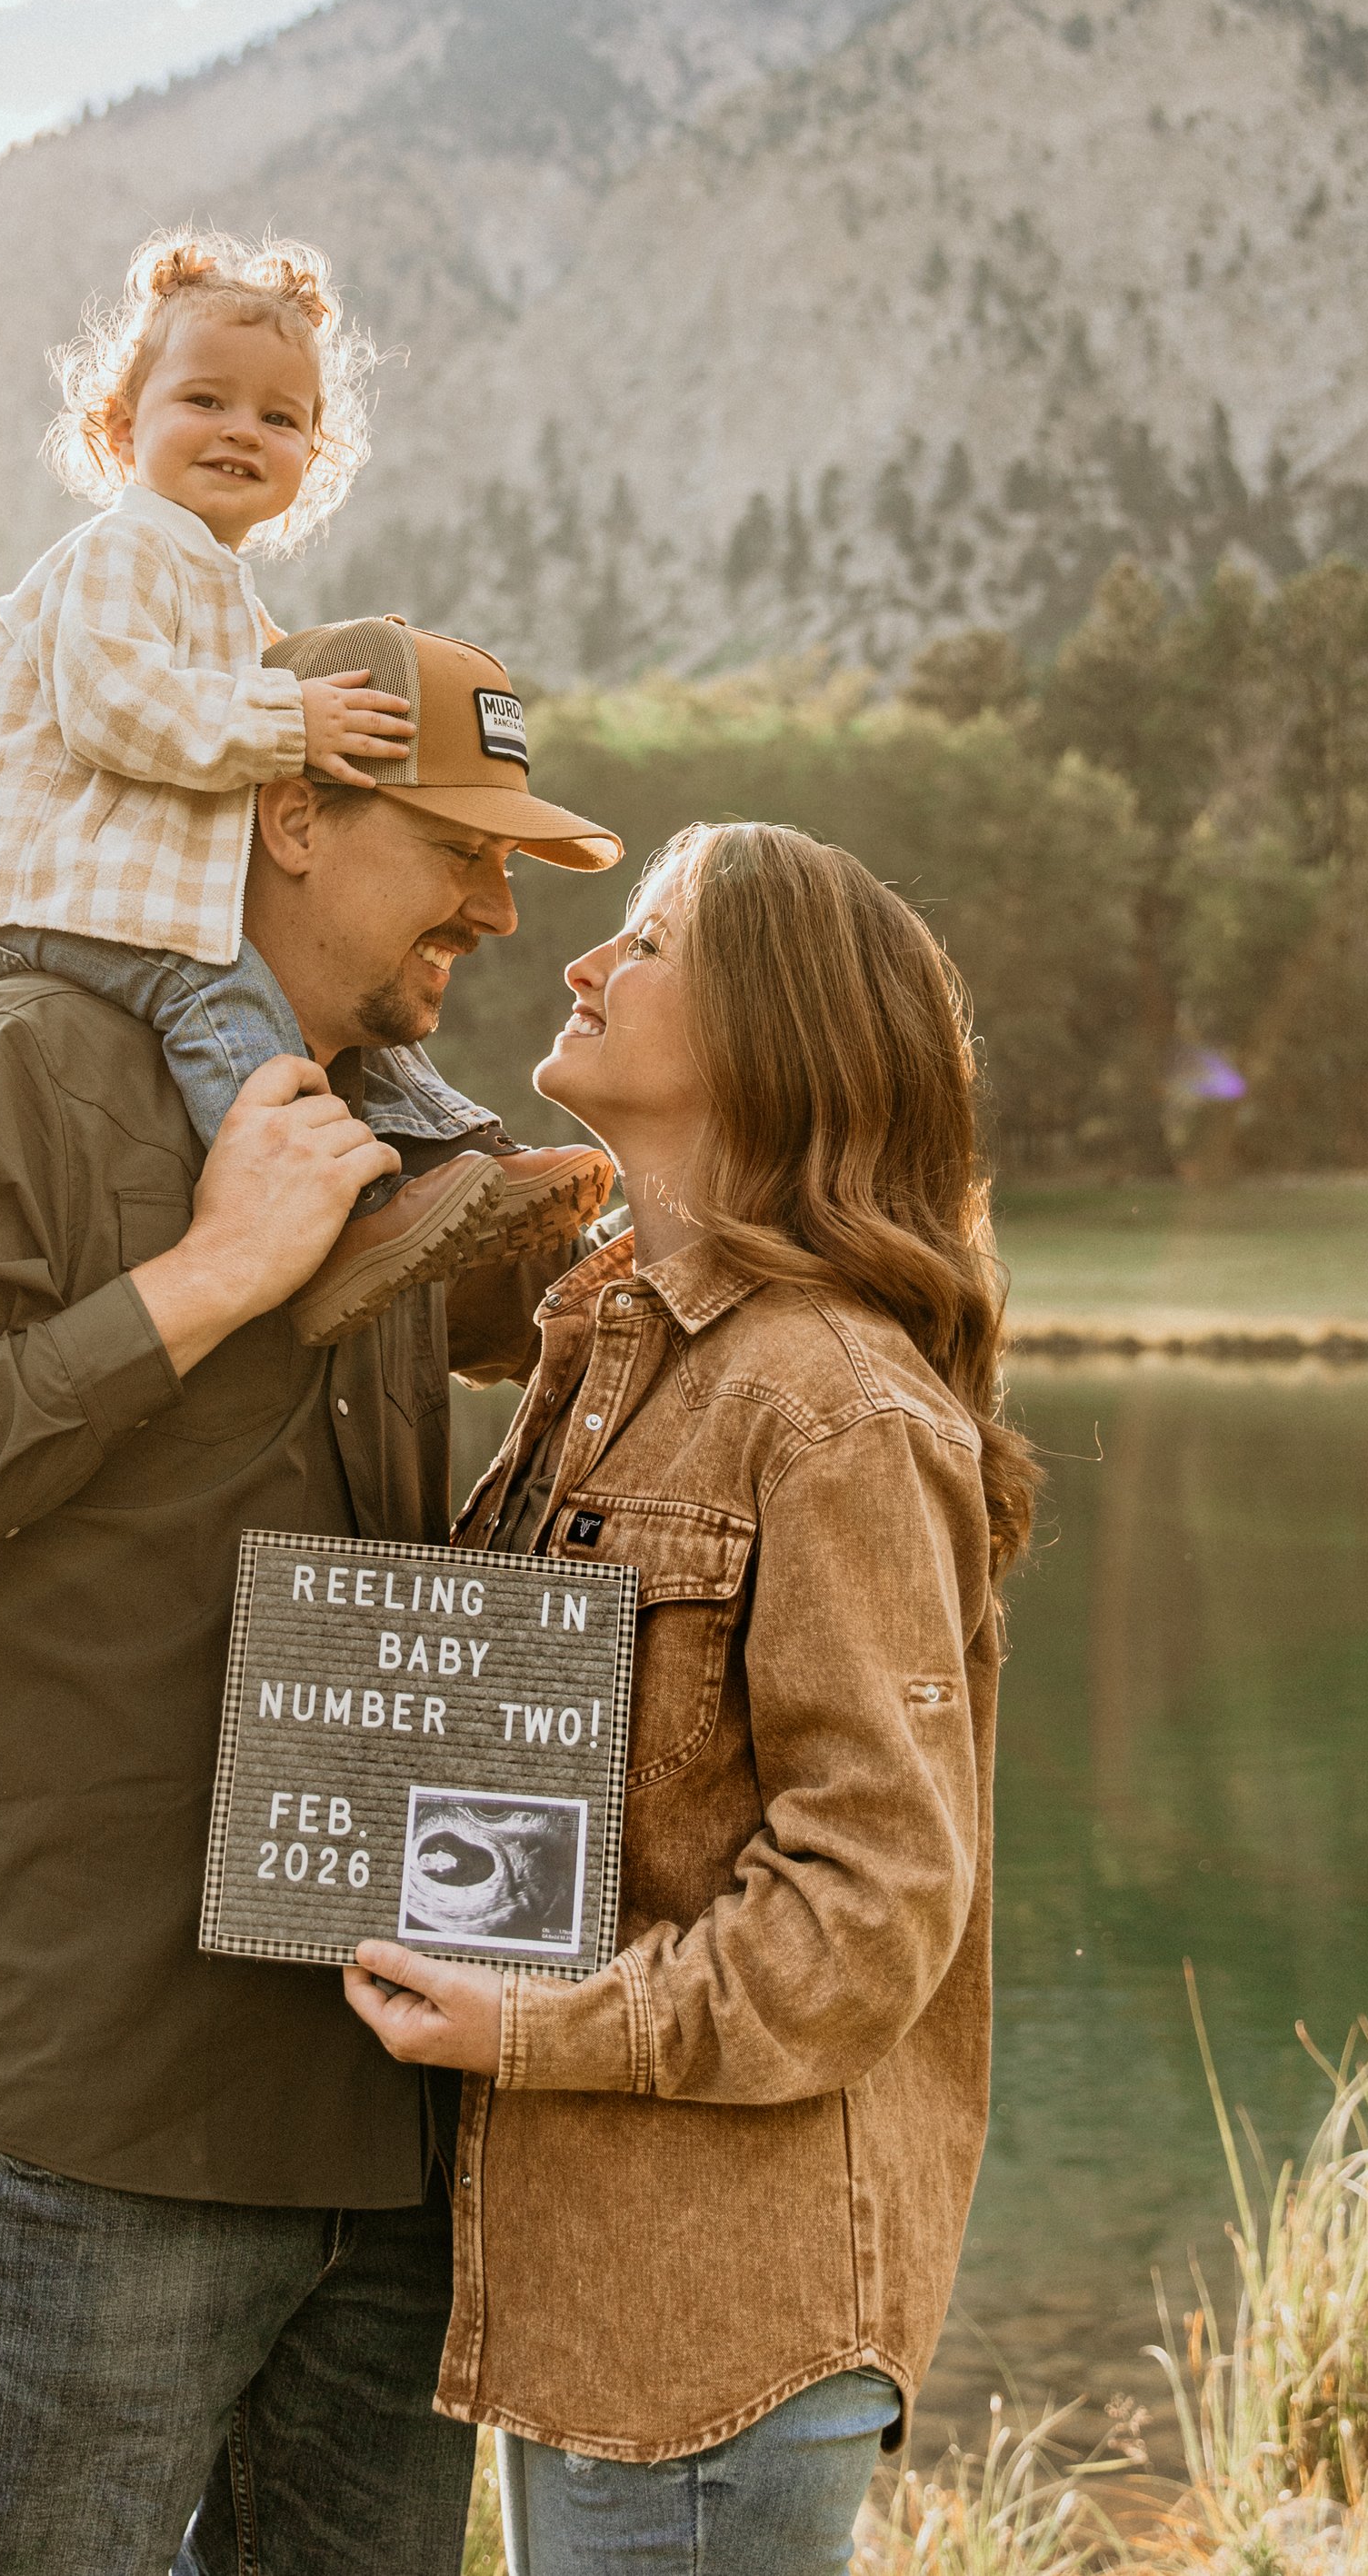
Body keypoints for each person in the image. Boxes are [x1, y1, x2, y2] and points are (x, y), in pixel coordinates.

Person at [0, 628, 621, 2576]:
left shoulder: (404, 1129)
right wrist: (212, 1277)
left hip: (389, 2136)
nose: (494, 899)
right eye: (454, 845)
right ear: (287, 813)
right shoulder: (14, 1058)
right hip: (82, 2150)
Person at [344, 821, 1039, 2576]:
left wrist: (529, 2023)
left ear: (769, 1033)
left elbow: (868, 1911)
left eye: (645, 941)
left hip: (717, 2335)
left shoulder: (830, 1406)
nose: (583, 962)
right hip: (595, 2294)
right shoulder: (609, 1340)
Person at [0, 227, 613, 1341]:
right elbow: (118, 706)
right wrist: (296, 718)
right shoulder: (119, 554)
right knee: (226, 999)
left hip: (118, 901)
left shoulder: (222, 593)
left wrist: (322, 693)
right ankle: (339, 1221)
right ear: (118, 425)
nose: (242, 429)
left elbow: (253, 688)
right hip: (46, 895)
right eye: (205, 399)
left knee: (314, 1015)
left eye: (280, 417)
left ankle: (469, 1173)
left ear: (312, 458)